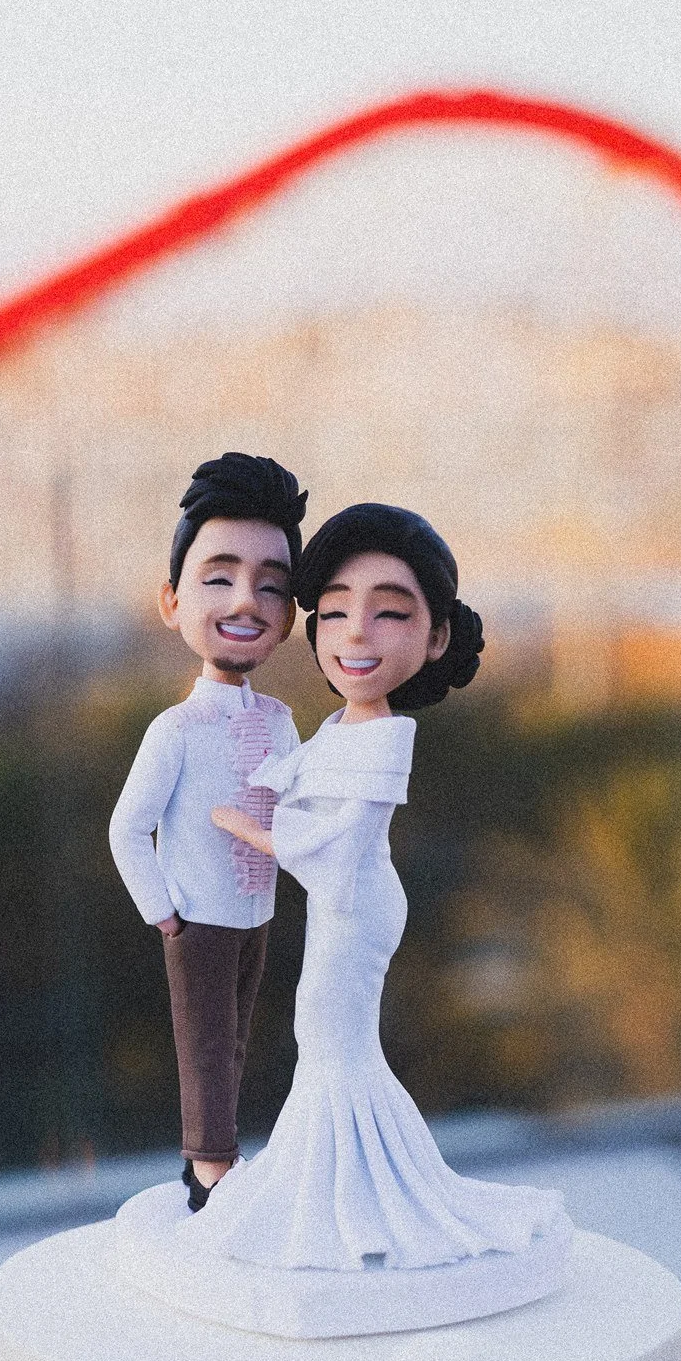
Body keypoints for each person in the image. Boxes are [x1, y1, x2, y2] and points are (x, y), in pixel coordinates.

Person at [192, 501, 564, 1268]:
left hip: (352, 898)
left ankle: (357, 1198)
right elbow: (298, 779)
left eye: (389, 613)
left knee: (330, 1039)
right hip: (347, 892)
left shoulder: (388, 735)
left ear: (434, 637)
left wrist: (246, 828)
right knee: (324, 1039)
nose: (355, 632)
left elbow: (337, 843)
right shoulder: (340, 727)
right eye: (332, 614)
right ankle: (340, 1183)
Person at [109, 453, 304, 1210]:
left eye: (271, 586)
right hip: (197, 916)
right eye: (217, 577)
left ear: (288, 615)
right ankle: (211, 1173)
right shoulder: (176, 729)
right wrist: (164, 912)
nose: (244, 601)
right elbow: (127, 828)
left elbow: (298, 802)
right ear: (172, 600)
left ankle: (215, 1164)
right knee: (205, 1052)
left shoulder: (281, 720)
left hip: (257, 911)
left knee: (239, 1040)